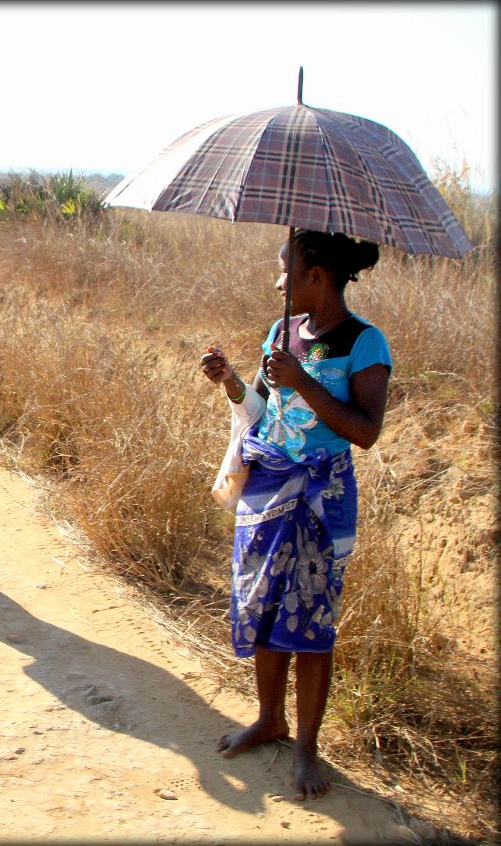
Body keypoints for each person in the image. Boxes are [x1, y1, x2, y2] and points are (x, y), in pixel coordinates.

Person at [200, 229, 390, 802]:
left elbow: (366, 432)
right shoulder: (281, 333)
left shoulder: (364, 342)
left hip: (319, 500)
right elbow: (260, 411)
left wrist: (302, 379)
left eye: (286, 270)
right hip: (266, 493)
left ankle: (306, 744)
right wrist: (232, 380)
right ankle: (269, 719)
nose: (278, 281)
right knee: (261, 607)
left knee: (310, 623)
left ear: (317, 275)